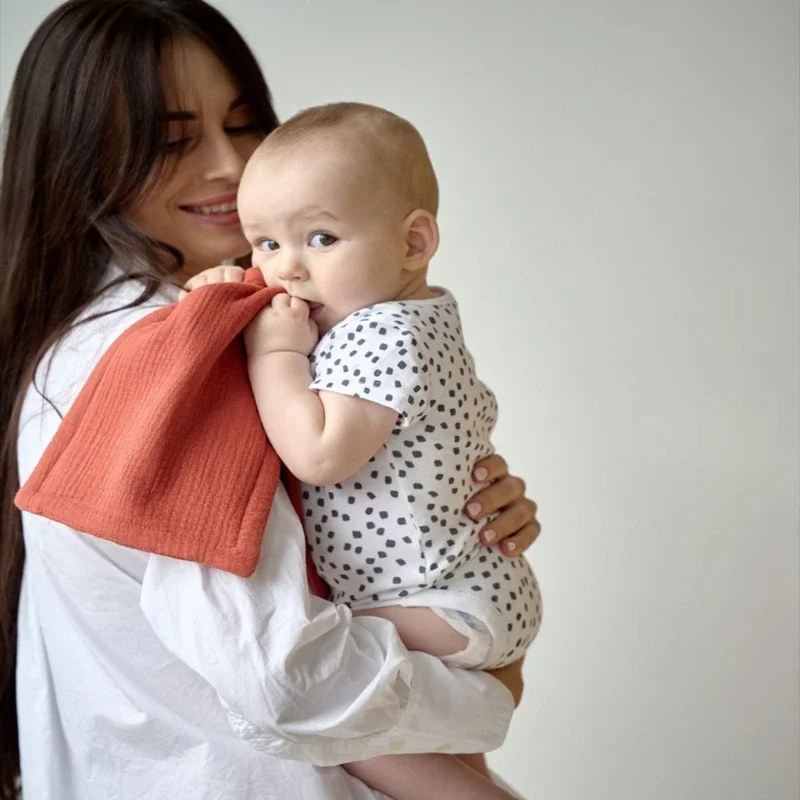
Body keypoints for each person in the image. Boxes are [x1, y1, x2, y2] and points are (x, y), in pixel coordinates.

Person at [0, 2, 542, 798]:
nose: (228, 164)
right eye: (174, 139)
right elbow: (290, 671)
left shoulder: (90, 340)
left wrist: (451, 510)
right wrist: (492, 676)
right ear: (81, 157)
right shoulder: (182, 350)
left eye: (245, 121)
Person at [184, 102, 543, 799]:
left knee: (341, 722)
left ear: (413, 243)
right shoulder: (413, 315)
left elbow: (318, 454)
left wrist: (274, 351)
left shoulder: (380, 335)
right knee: (439, 752)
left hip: (442, 600)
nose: (285, 270)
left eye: (320, 237)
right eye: (262, 244)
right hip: (468, 591)